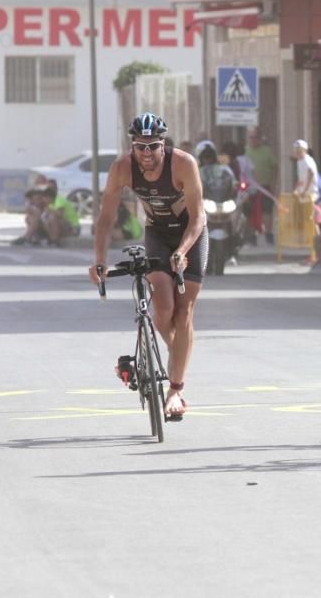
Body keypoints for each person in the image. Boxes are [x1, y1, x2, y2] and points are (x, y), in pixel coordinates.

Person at [88, 112, 207, 420]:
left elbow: (199, 218)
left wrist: (182, 251)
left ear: (163, 145)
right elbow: (105, 219)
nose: (146, 154)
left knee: (185, 311)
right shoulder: (122, 168)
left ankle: (175, 389)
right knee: (164, 309)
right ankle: (177, 352)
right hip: (156, 232)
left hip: (189, 236)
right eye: (139, 146)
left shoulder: (183, 164)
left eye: (153, 146)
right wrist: (99, 261)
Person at [246, 127, 277, 244]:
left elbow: (275, 168)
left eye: (255, 137)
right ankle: (252, 235)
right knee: (251, 211)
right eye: (251, 138)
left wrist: (273, 183)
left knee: (267, 211)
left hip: (265, 186)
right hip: (250, 187)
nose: (253, 140)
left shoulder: (267, 151)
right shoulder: (246, 151)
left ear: (260, 138)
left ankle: (269, 234)